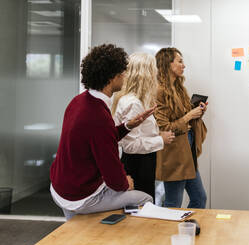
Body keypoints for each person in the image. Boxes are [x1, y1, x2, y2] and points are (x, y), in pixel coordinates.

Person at [50, 44, 153, 220]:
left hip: (60, 186)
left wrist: (128, 125)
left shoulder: (79, 101)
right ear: (112, 77)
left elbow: (99, 137)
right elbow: (114, 177)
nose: (125, 76)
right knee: (146, 198)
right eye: (123, 72)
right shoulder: (98, 116)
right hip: (81, 196)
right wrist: (125, 183)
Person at [112, 52, 175, 200]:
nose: (156, 74)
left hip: (143, 162)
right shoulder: (133, 103)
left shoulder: (134, 100)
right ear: (145, 74)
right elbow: (130, 146)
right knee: (142, 209)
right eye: (153, 70)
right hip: (137, 165)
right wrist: (161, 140)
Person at [154, 47, 207, 208]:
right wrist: (189, 115)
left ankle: (187, 230)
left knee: (199, 198)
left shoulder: (179, 89)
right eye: (180, 61)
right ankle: (169, 233)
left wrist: (198, 112)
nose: (183, 65)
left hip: (187, 153)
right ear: (168, 64)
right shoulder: (159, 91)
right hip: (174, 156)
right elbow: (164, 127)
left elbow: (185, 120)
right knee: (173, 203)